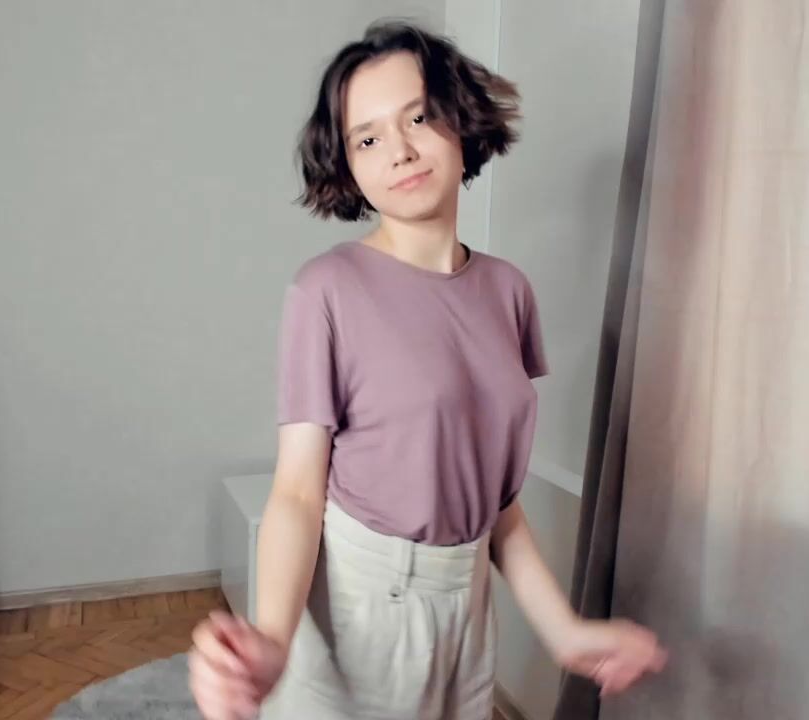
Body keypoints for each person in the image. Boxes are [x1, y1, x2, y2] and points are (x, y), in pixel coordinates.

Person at [189, 20, 667, 720]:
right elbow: (297, 492)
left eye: (418, 117)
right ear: (347, 164)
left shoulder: (508, 290)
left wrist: (565, 633)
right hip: (364, 601)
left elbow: (496, 504)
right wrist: (272, 640)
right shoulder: (326, 289)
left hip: (469, 605)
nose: (401, 150)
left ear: (460, 120)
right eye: (368, 139)